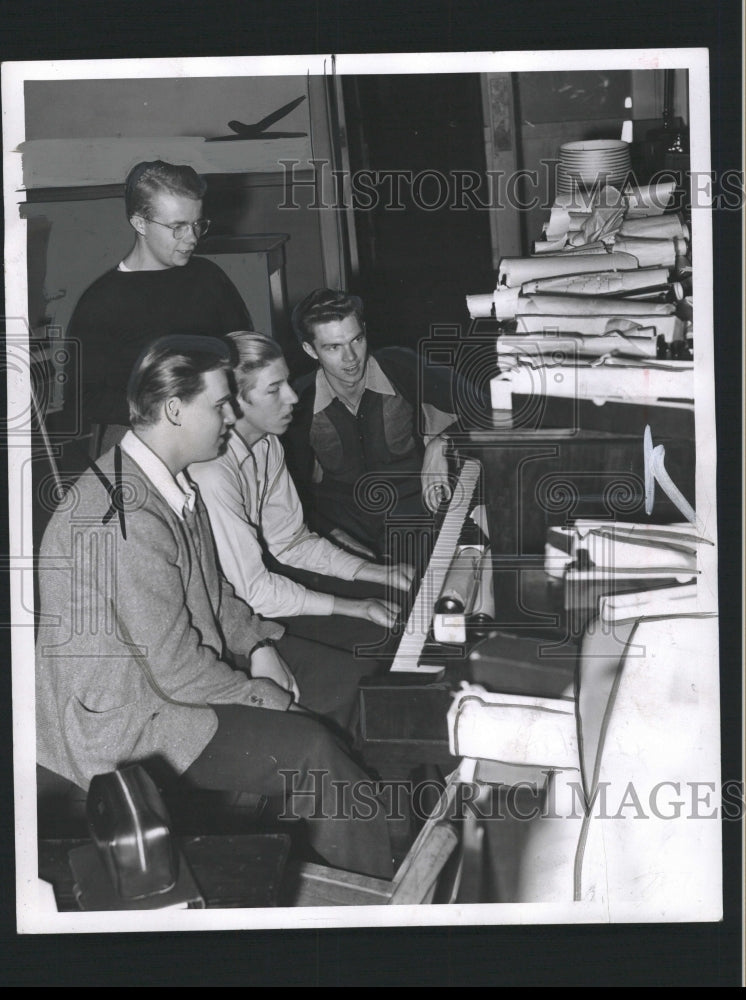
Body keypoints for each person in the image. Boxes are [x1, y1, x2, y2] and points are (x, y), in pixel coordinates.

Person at [36, 335, 393, 880]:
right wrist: (262, 696)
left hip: (175, 681)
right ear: (176, 410)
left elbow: (216, 591)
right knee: (310, 749)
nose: (233, 415)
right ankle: (377, 897)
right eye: (221, 404)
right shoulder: (124, 519)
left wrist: (258, 644)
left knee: (351, 683)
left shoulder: (171, 477)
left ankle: (339, 851)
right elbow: (173, 675)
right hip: (131, 722)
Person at [189, 332, 415, 653]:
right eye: (274, 389)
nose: (293, 397)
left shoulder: (267, 444)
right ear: (234, 400)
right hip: (216, 622)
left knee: (399, 599)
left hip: (251, 590)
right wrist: (357, 607)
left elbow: (291, 542)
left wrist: (378, 573)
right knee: (373, 641)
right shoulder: (212, 472)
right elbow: (252, 592)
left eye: (287, 383)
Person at [66, 160, 252, 456]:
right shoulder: (101, 301)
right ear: (140, 223)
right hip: (145, 437)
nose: (191, 238)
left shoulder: (210, 278)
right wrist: (167, 409)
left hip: (221, 426)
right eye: (177, 227)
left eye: (197, 224)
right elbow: (83, 399)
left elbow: (244, 353)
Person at [283, 288, 461, 562]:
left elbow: (492, 406)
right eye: (333, 347)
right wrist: (324, 529)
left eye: (357, 339)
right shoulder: (298, 401)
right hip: (345, 535)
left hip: (418, 520)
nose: (351, 357)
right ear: (310, 349)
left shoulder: (401, 367)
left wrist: (444, 442)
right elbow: (288, 485)